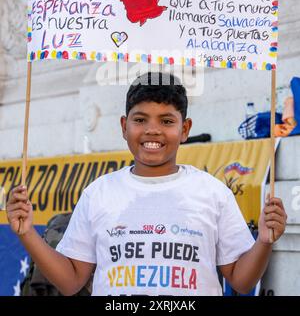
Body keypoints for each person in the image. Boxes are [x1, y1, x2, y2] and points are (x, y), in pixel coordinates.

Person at [6, 71, 287, 296]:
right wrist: (27, 233)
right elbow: (70, 282)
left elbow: (240, 280)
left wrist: (263, 241)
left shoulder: (213, 193)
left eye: (166, 121)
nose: (153, 130)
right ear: (124, 126)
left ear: (185, 129)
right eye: (140, 119)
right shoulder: (98, 194)